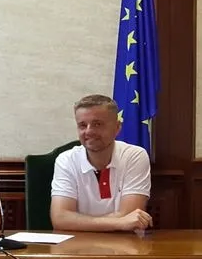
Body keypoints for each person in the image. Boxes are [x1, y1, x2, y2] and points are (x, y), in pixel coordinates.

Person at [50, 94, 152, 232]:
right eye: (82, 125)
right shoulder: (66, 160)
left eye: (97, 124)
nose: (89, 131)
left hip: (125, 242)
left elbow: (131, 217)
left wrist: (77, 221)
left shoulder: (134, 156)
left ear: (117, 128)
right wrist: (119, 222)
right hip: (78, 243)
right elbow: (60, 219)